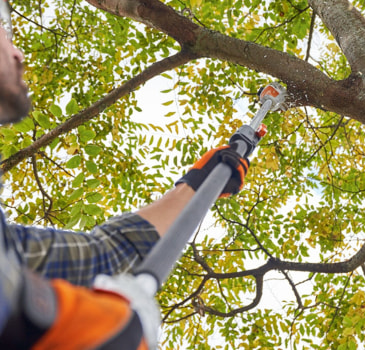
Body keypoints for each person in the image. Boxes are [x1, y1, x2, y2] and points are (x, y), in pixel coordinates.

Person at [0, 0, 250, 348]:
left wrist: (195, 185)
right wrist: (48, 315)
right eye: (4, 28)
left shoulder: (8, 246)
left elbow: (102, 254)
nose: (18, 54)